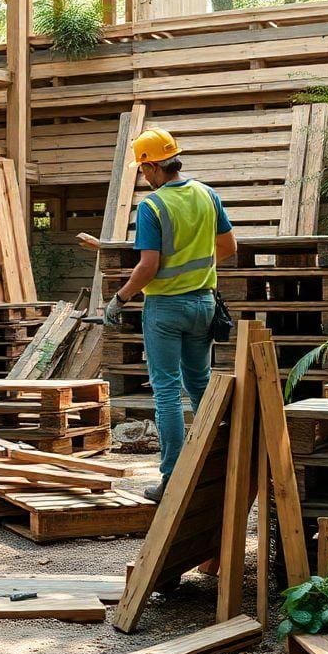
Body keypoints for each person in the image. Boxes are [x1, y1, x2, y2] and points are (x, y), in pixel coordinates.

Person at [103, 127, 237, 503]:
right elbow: (228, 246)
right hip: (204, 305)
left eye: (144, 169)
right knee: (201, 388)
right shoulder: (208, 195)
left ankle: (173, 481)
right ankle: (216, 472)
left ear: (153, 167)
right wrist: (197, 271)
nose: (144, 177)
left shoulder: (153, 206)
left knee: (165, 392)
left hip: (164, 308)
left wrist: (120, 299)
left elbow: (148, 265)